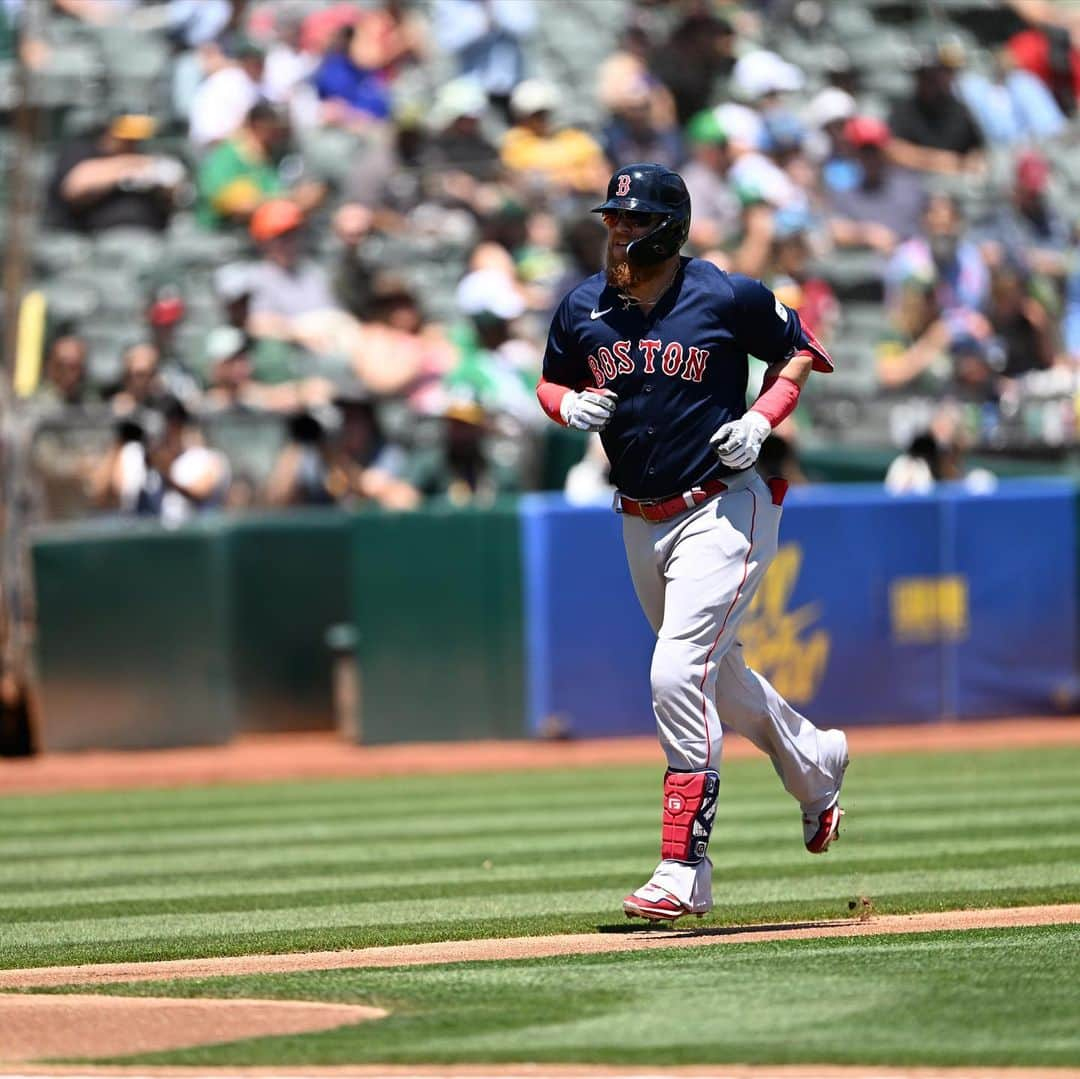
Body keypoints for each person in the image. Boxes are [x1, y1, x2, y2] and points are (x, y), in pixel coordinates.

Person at [537, 163, 849, 922]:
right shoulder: (584, 304)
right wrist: (568, 403)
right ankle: (817, 764)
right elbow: (550, 379)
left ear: (670, 226)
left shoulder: (724, 293)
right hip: (639, 517)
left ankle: (685, 867)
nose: (619, 232)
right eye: (613, 219)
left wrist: (761, 417)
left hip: (722, 508)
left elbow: (799, 348)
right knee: (717, 672)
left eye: (634, 220)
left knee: (678, 670)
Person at [46, 114, 184, 234]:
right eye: (127, 138)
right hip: (93, 245)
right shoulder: (82, 151)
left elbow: (175, 195)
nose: (132, 143)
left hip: (150, 241)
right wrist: (131, 167)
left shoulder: (149, 155)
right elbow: (75, 186)